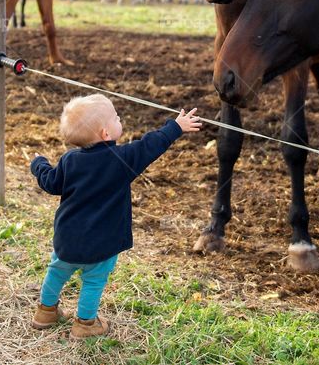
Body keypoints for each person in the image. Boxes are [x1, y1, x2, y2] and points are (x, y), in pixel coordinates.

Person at [30, 94, 202, 339]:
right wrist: (175, 126)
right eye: (116, 117)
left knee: (56, 271)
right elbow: (150, 145)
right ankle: (86, 324)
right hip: (102, 243)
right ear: (105, 133)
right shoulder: (122, 159)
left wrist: (39, 164)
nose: (119, 118)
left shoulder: (70, 160)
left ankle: (45, 312)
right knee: (93, 281)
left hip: (67, 238)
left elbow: (49, 182)